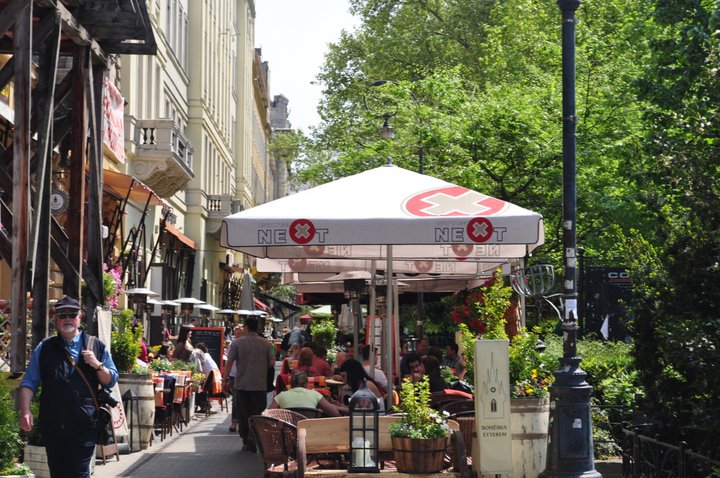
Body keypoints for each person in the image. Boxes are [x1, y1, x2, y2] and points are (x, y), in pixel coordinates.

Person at [18, 296, 119, 478]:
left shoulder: (96, 345)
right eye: (62, 315)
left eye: (72, 314)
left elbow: (111, 380)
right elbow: (29, 382)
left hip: (84, 424)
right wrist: (25, 410)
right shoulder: (45, 348)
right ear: (55, 319)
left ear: (80, 317)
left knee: (78, 473)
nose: (67, 319)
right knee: (58, 473)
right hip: (53, 424)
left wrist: (96, 364)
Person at [223, 316, 275, 453]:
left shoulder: (237, 343)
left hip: (242, 384)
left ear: (246, 327)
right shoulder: (265, 343)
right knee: (257, 413)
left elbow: (229, 363)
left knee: (244, 413)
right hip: (259, 384)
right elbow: (271, 363)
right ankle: (254, 437)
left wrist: (225, 380)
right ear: (257, 327)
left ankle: (246, 439)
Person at [269, 370, 347, 416]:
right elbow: (335, 413)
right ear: (307, 383)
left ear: (290, 383)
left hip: (288, 436)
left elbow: (267, 415)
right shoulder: (314, 394)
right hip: (310, 434)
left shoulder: (281, 396)